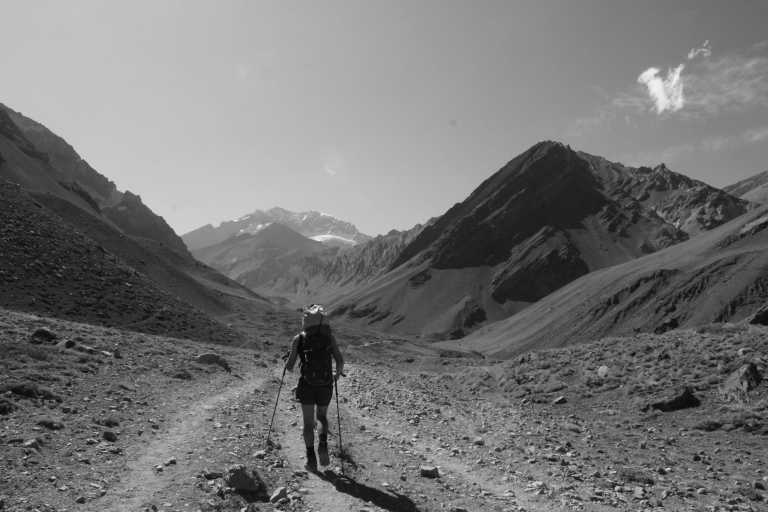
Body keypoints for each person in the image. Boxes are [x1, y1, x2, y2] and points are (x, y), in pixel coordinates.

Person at [285, 304, 345, 470]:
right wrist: (336, 376)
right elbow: (340, 361)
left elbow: (289, 367)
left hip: (307, 385)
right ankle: (323, 443)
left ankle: (311, 457)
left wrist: (288, 357)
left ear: (306, 321)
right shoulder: (330, 338)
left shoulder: (299, 338)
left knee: (307, 421)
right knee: (322, 417)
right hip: (325, 384)